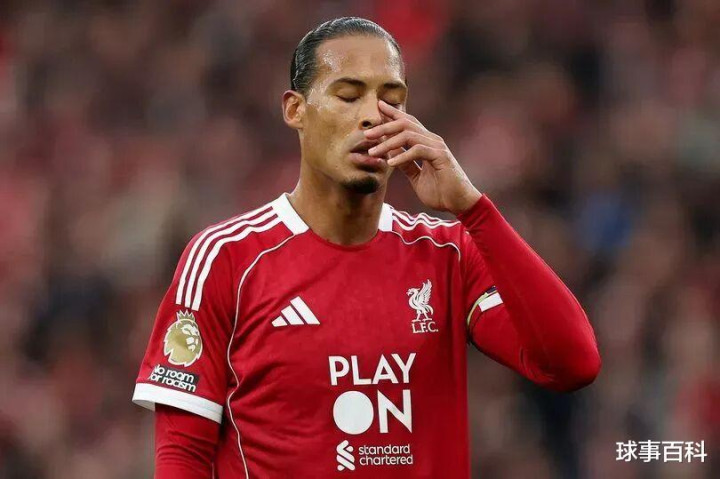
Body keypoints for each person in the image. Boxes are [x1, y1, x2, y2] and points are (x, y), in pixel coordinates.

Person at [132, 17, 601, 478]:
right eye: (348, 95)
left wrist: (474, 210)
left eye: (390, 100)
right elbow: (182, 455)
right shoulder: (226, 258)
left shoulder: (447, 253)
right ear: (295, 110)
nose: (373, 116)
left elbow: (572, 364)